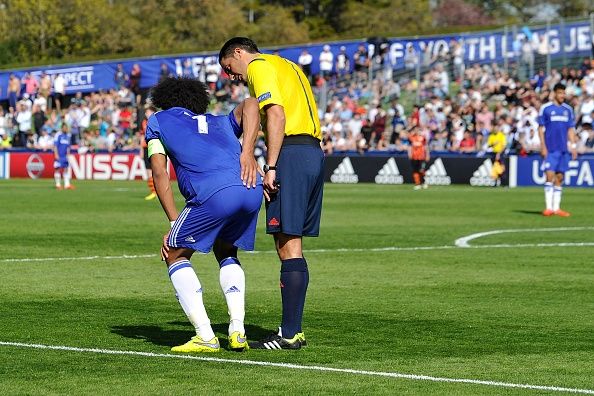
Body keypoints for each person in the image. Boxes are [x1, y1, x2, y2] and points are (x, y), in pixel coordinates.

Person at [219, 37, 323, 350]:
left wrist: (272, 165)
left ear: (239, 53)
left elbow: (275, 114)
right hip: (312, 152)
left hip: (290, 154)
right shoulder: (287, 65)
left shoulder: (259, 66)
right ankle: (293, 330)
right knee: (293, 243)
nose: (231, 76)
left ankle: (290, 334)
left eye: (229, 67)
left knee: (287, 243)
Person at [146, 76, 263, 353]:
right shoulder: (218, 120)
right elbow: (251, 103)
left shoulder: (158, 121)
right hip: (251, 188)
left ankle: (206, 336)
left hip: (215, 193)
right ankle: (237, 330)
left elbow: (160, 172)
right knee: (226, 250)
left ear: (163, 100)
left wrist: (174, 223)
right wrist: (248, 151)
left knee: (174, 252)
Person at [538, 83, 578, 217]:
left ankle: (557, 208)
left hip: (563, 149)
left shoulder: (568, 110)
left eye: (563, 93)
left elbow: (570, 129)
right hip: (550, 148)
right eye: (560, 93)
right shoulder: (546, 108)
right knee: (549, 175)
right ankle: (548, 208)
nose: (562, 95)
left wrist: (573, 146)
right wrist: (543, 146)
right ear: (554, 93)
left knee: (560, 177)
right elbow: (541, 129)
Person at [140, 101, 157, 200]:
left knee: (155, 170)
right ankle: (153, 192)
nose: (146, 114)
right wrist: (140, 149)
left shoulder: (156, 121)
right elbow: (142, 136)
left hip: (153, 147)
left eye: (148, 112)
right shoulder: (144, 122)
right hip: (145, 147)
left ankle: (157, 191)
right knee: (148, 171)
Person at [54, 124, 75, 190]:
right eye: (65, 128)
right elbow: (55, 146)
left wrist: (68, 154)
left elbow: (68, 147)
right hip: (59, 155)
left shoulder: (68, 136)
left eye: (67, 128)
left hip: (65, 156)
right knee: (57, 169)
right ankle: (58, 184)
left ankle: (67, 185)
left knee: (66, 169)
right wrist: (56, 154)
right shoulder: (58, 135)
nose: (66, 129)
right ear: (62, 128)